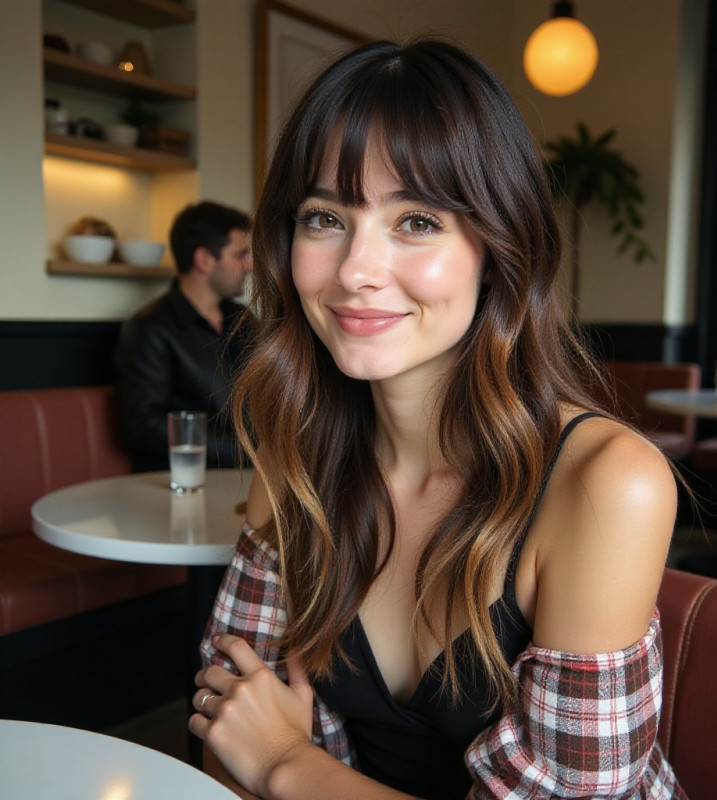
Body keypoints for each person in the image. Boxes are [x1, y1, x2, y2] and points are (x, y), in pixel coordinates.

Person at [189, 39, 687, 800]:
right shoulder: (293, 454)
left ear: (497, 248)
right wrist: (264, 755)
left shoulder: (606, 484)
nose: (356, 269)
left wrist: (289, 764)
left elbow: (262, 754)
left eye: (417, 221)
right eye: (324, 217)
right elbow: (226, 730)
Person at [114, 200, 253, 472]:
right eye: (240, 255)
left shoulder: (245, 320)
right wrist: (244, 453)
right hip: (183, 480)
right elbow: (143, 425)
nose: (249, 266)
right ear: (204, 260)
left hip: (250, 477)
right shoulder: (149, 328)